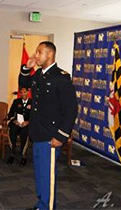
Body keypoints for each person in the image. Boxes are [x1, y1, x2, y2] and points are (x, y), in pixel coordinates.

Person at [19, 41, 77, 210]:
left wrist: (61, 136)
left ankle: (48, 207)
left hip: (51, 135)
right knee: (40, 174)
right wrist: (26, 68)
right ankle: (42, 204)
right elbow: (24, 83)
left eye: (39, 52)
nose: (35, 55)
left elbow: (71, 109)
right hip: (38, 132)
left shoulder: (61, 77)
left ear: (49, 55)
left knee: (48, 176)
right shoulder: (38, 74)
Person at [6, 87, 32, 166]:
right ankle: (12, 153)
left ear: (28, 92)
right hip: (17, 122)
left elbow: (35, 116)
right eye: (21, 92)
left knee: (25, 133)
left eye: (24, 92)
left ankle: (23, 155)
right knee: (12, 130)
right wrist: (14, 120)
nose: (23, 94)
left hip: (26, 124)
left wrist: (28, 122)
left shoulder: (33, 102)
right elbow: (10, 114)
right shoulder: (16, 101)